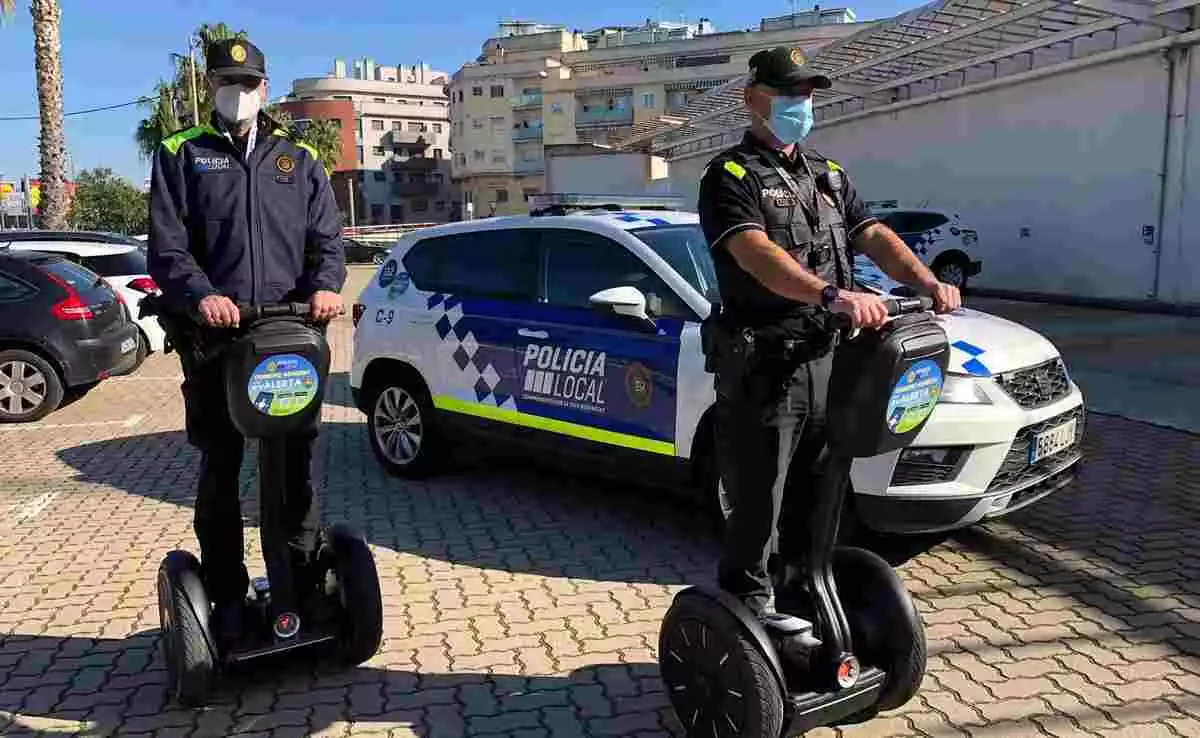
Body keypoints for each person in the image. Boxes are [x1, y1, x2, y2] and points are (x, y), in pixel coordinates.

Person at [697, 46, 962, 616]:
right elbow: (754, 252)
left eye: (807, 94)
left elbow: (872, 234)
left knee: (820, 492)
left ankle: (802, 595)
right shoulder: (730, 176)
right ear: (753, 99)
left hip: (830, 360)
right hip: (768, 366)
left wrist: (927, 281)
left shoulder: (828, 173)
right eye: (788, 94)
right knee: (760, 497)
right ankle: (748, 610)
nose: (801, 105)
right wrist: (830, 294)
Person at [147, 37, 346, 643]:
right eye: (226, 83)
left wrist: (327, 286)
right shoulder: (182, 153)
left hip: (286, 335)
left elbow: (327, 243)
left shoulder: (298, 158)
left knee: (294, 465)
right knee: (223, 464)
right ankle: (228, 593)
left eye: (248, 83)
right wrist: (202, 294)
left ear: (265, 87)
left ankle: (304, 583)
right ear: (211, 87)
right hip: (216, 340)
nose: (238, 94)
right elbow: (167, 248)